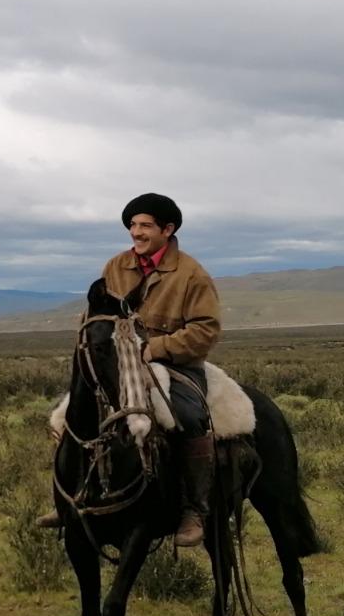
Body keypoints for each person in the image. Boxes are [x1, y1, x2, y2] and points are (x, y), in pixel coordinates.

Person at [39, 192, 222, 547]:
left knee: (186, 416)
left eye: (145, 226)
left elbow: (205, 329)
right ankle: (69, 499)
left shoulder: (191, 275)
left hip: (174, 362)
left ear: (167, 230)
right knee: (70, 416)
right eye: (133, 226)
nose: (136, 233)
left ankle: (193, 507)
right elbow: (100, 316)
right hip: (122, 361)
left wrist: (155, 348)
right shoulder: (115, 267)